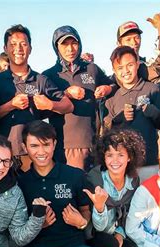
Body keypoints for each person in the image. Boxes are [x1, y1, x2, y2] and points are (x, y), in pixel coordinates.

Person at [0, 121, 130, 247]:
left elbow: (86, 212)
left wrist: (81, 222)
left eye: (46, 144)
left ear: (54, 143)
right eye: (34, 146)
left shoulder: (73, 175)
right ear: (24, 147)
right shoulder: (21, 183)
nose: (41, 151)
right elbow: (16, 228)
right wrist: (37, 225)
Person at [0, 24, 73, 171]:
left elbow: (68, 105)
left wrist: (50, 105)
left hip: (32, 155)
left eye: (23, 44)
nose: (19, 49)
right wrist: (10, 105)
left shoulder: (41, 80)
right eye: (13, 44)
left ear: (30, 48)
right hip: (3, 154)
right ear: (5, 48)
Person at [43, 25, 113, 170]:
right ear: (56, 47)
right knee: (72, 189)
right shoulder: (49, 75)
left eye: (74, 43)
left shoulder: (91, 69)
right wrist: (66, 93)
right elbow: (43, 108)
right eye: (65, 44)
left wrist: (107, 88)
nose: (70, 49)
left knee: (93, 188)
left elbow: (114, 85)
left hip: (93, 142)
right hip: (66, 145)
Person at [85, 129, 146, 247]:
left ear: (129, 157)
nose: (115, 160)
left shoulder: (133, 180)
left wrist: (120, 233)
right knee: (109, 245)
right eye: (109, 155)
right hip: (96, 233)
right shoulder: (95, 179)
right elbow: (99, 227)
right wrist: (99, 206)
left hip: (117, 230)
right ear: (103, 158)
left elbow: (131, 212)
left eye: (120, 154)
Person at [105, 46, 160, 182]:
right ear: (114, 71)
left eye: (130, 65)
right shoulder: (112, 99)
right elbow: (106, 133)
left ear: (138, 64)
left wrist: (154, 113)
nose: (125, 71)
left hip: (149, 164)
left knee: (151, 202)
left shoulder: (153, 89)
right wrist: (118, 120)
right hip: (122, 167)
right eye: (120, 68)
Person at [116, 13, 160, 89]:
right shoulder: (116, 73)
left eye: (137, 38)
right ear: (119, 44)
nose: (134, 42)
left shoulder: (143, 64)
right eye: (128, 39)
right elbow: (159, 66)